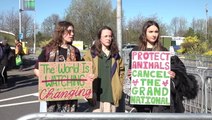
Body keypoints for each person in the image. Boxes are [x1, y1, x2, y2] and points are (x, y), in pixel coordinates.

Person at [128, 20, 198, 113]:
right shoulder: (135, 52)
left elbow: (179, 69)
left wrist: (174, 75)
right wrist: (130, 74)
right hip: (142, 100)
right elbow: (132, 75)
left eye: (156, 32)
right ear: (145, 33)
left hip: (161, 102)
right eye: (151, 32)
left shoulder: (164, 51)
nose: (154, 35)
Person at [34, 21, 81, 112]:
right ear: (61, 32)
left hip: (70, 96)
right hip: (52, 96)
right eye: (69, 31)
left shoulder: (75, 51)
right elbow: (36, 69)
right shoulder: (48, 50)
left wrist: (86, 78)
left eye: (73, 31)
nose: (72, 34)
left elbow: (81, 71)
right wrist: (47, 79)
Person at [82, 26, 125, 112]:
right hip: (96, 98)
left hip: (112, 97)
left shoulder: (116, 56)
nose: (108, 38)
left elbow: (122, 72)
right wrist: (88, 91)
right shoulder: (90, 54)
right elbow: (83, 73)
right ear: (99, 38)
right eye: (106, 36)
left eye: (110, 36)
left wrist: (119, 86)